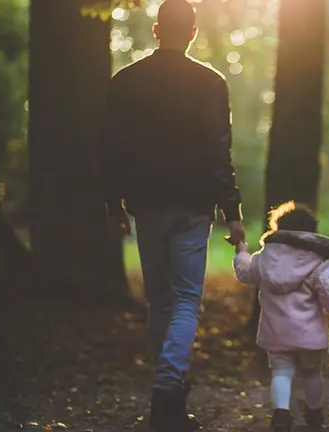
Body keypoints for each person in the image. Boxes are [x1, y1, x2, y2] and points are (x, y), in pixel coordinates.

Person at [98, 1, 246, 430]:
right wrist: (232, 211)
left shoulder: (125, 82)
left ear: (158, 29)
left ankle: (170, 399)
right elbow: (220, 152)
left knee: (160, 301)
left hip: (146, 205)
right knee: (184, 300)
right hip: (194, 206)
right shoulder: (210, 83)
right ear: (194, 32)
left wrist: (113, 205)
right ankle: (168, 392)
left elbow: (110, 149)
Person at [233, 201, 329, 432]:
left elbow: (245, 272)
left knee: (281, 372)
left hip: (276, 331)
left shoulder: (265, 257)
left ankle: (281, 415)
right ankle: (314, 412)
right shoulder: (318, 261)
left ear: (278, 228)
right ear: (313, 232)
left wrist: (241, 253)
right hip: (308, 334)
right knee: (312, 372)